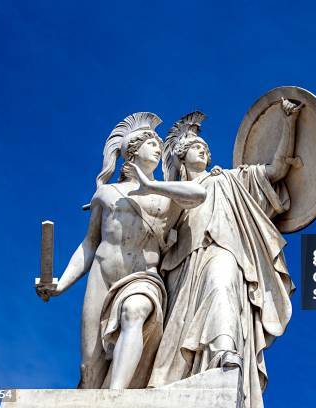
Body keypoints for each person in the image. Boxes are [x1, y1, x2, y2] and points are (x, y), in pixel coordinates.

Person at [35, 112, 206, 389]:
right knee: (89, 368)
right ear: (133, 152)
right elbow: (90, 244)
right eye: (152, 143)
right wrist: (61, 284)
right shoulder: (105, 194)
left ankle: (116, 397)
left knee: (134, 312)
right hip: (102, 276)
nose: (158, 148)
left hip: (143, 277)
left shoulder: (166, 193)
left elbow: (199, 195)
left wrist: (151, 185)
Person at [148, 100, 301, 408]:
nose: (204, 150)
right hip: (183, 268)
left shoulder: (230, 178)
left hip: (225, 251)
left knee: (221, 285)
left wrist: (288, 121)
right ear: (181, 156)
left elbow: (278, 168)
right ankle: (191, 375)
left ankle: (224, 351)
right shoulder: (169, 195)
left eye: (206, 146)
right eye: (196, 147)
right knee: (176, 333)